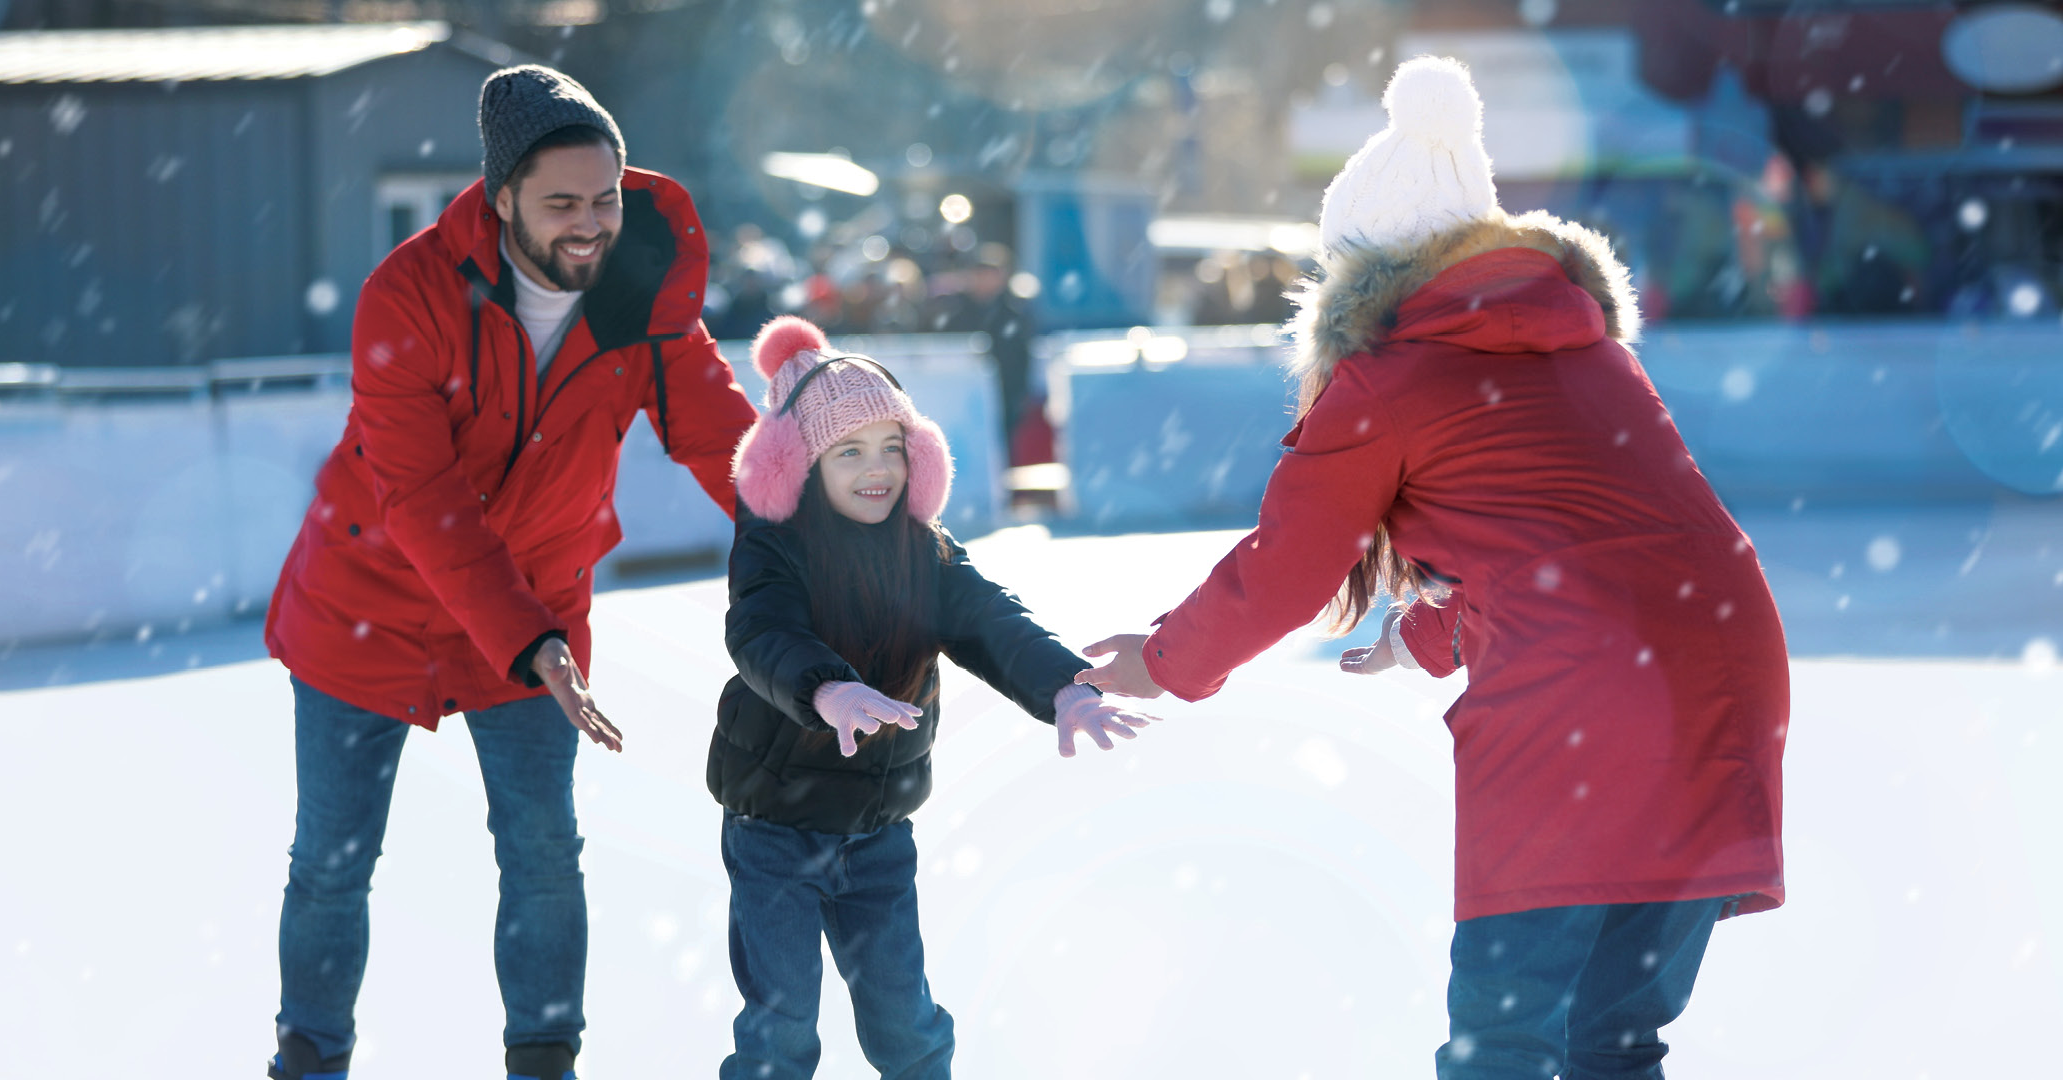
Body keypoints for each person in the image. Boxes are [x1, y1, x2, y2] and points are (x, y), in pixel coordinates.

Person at [1078, 56, 1789, 1079]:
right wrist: (1423, 634)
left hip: (1579, 698)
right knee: (1614, 1043)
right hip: (1727, 671)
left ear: (1360, 276)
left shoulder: (1388, 374)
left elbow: (1290, 567)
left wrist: (1165, 658)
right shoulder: (1590, 350)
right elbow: (1592, 551)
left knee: (1504, 1042)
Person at [261, 65, 759, 1080]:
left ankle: (544, 1060)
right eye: (562, 204)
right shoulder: (411, 295)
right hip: (370, 606)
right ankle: (309, 1057)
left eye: (607, 198)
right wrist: (533, 644)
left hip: (534, 603)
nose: (592, 226)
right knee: (331, 863)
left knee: (541, 853)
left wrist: (829, 547)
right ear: (501, 202)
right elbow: (423, 501)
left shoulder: (634, 286)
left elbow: (721, 438)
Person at [711, 316, 1157, 1079]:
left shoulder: (926, 550)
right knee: (779, 1029)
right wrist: (827, 690)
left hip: (876, 833)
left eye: (892, 446)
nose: (875, 469)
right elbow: (761, 633)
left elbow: (993, 622)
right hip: (773, 829)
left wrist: (1063, 691)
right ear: (802, 466)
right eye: (848, 452)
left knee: (905, 1026)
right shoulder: (773, 547)